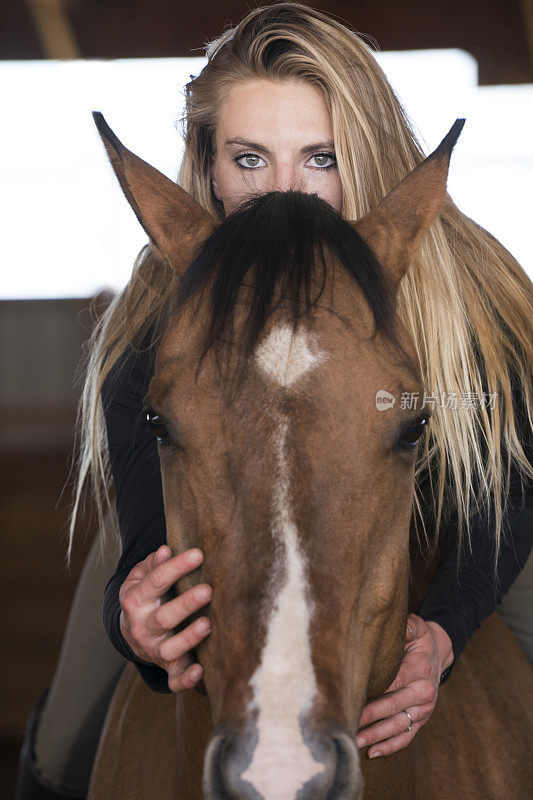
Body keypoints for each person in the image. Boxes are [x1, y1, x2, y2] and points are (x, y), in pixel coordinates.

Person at [16, 4, 533, 798]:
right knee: (58, 750)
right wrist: (146, 624)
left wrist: (447, 631)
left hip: (468, 510)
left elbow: (509, 476)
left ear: (365, 152)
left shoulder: (467, 288)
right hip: (207, 499)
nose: (284, 190)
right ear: (209, 168)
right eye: (250, 159)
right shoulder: (157, 310)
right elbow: (150, 495)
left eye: (319, 156)